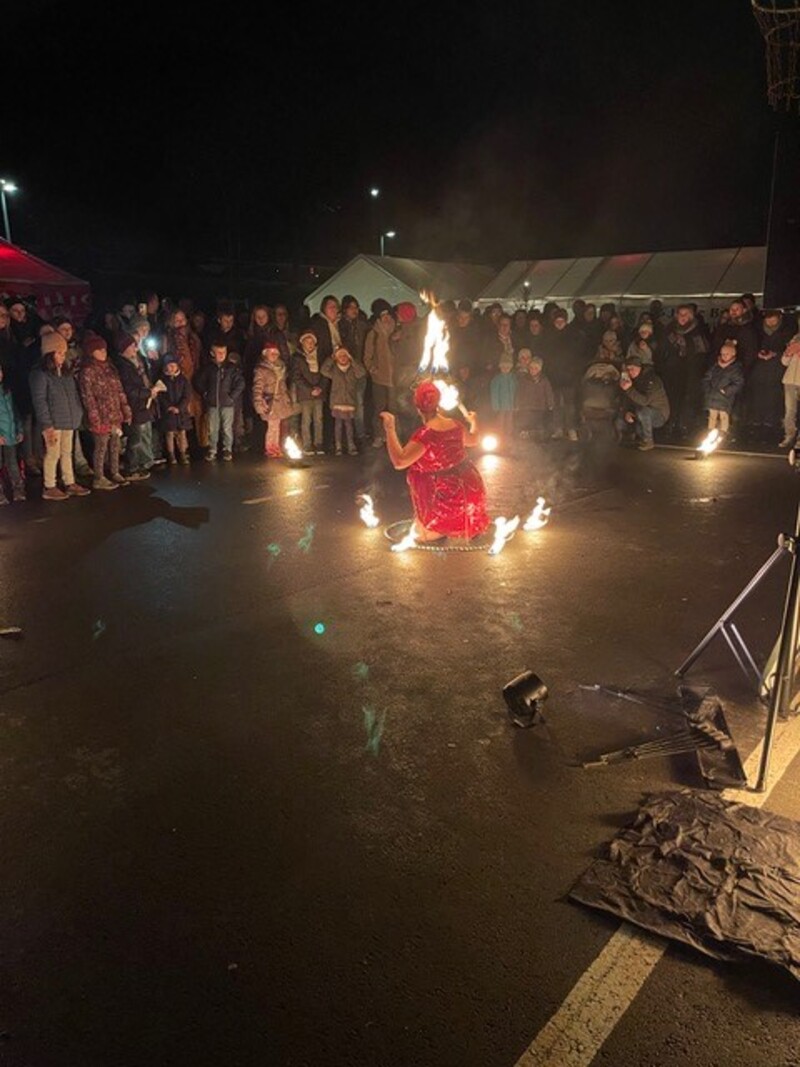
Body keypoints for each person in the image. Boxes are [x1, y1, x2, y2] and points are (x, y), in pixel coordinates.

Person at [380, 379, 490, 542]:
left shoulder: (426, 435)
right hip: (471, 492)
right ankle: (463, 526)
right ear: (438, 404)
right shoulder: (456, 425)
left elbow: (400, 461)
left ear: (418, 408)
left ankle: (440, 529)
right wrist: (474, 422)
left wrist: (390, 429)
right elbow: (473, 440)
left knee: (419, 534)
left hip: (445, 498)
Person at [29, 332, 91, 500]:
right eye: (59, 353)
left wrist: (77, 414)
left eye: (64, 353)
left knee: (67, 452)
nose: (63, 357)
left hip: (68, 421)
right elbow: (39, 401)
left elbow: (74, 395)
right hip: (53, 423)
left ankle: (69, 482)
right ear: (49, 353)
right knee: (52, 454)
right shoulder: (40, 374)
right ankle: (49, 485)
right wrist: (47, 424)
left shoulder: (65, 373)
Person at [78, 333, 132, 490]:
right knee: (101, 447)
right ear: (91, 352)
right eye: (99, 349)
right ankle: (99, 476)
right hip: (100, 416)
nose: (103, 352)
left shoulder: (110, 368)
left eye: (104, 349)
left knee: (115, 445)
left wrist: (126, 410)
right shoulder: (87, 371)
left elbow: (120, 391)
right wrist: (94, 417)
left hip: (114, 414)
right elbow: (88, 396)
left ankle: (114, 471)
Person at [116, 333, 157, 480]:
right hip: (134, 406)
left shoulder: (135, 362)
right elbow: (129, 389)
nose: (136, 348)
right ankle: (131, 469)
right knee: (135, 439)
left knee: (140, 436)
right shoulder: (124, 366)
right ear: (125, 348)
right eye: (132, 345)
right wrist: (147, 392)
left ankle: (140, 463)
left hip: (141, 404)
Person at [194, 342, 244, 462]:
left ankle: (227, 449)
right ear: (212, 353)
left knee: (227, 428)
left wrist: (232, 397)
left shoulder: (231, 368)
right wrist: (205, 393)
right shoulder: (208, 368)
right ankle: (212, 449)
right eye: (219, 352)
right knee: (213, 428)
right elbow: (198, 381)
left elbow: (240, 383)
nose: (222, 355)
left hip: (227, 404)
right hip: (212, 404)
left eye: (224, 352)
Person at [617, 355, 670, 451]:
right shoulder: (630, 380)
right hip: (640, 412)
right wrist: (627, 411)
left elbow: (645, 401)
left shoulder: (652, 380)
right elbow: (627, 400)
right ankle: (630, 436)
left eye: (633, 369)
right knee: (622, 419)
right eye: (628, 369)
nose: (630, 372)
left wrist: (629, 389)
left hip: (659, 414)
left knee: (643, 412)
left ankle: (649, 441)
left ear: (639, 368)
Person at [364, 299, 397, 447]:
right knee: (379, 408)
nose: (386, 317)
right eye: (382, 314)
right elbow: (367, 355)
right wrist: (372, 369)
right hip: (379, 378)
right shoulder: (374, 333)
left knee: (394, 408)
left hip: (395, 377)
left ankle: (394, 437)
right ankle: (378, 435)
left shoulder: (397, 330)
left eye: (387, 314)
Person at [321, 346, 365, 455]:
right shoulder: (334, 370)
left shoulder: (353, 370)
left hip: (349, 401)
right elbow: (323, 370)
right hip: (337, 401)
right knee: (338, 424)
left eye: (345, 355)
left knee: (349, 424)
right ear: (336, 358)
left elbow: (361, 373)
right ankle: (338, 446)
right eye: (340, 356)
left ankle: (351, 445)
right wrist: (331, 358)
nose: (343, 358)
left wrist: (353, 361)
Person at [252, 341, 293, 458]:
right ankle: (270, 447)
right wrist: (258, 402)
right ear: (265, 354)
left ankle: (276, 447)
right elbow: (257, 387)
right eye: (271, 352)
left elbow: (283, 386)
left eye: (276, 352)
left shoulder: (281, 367)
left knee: (278, 425)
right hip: (270, 402)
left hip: (281, 401)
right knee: (272, 426)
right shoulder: (261, 369)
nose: (274, 355)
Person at [292, 330, 326, 455]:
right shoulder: (298, 358)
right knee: (306, 420)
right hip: (305, 394)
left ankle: (318, 443)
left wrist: (320, 388)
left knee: (319, 419)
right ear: (302, 343)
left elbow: (324, 374)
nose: (310, 344)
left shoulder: (320, 357)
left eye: (312, 342)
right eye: (307, 342)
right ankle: (307, 444)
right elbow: (296, 376)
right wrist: (309, 389)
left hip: (319, 393)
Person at [703, 341, 745, 438]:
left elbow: (738, 383)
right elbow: (707, 377)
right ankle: (710, 433)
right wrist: (708, 388)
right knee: (712, 416)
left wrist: (726, 390)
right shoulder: (715, 366)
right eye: (722, 354)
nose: (724, 356)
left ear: (733, 354)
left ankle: (723, 434)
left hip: (725, 398)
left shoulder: (735, 369)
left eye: (727, 354)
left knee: (724, 416)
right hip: (713, 396)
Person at [158, 356, 192, 465]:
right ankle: (171, 455)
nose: (172, 368)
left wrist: (179, 407)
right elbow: (160, 396)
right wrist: (168, 407)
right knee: (169, 433)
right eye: (169, 365)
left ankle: (182, 453)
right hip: (168, 413)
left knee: (182, 433)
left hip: (181, 412)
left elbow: (187, 396)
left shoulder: (183, 380)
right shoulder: (162, 380)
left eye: (174, 365)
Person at [0, 364, 26, 503]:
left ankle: (18, 488)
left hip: (10, 433)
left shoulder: (6, 390)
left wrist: (19, 429)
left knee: (12, 462)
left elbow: (14, 412)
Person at [515, 351, 555, 441]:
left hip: (539, 406)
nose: (533, 370)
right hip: (527, 406)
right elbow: (519, 392)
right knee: (527, 421)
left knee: (538, 422)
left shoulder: (544, 380)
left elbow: (548, 392)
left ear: (539, 369)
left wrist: (550, 403)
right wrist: (518, 403)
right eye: (531, 368)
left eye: (535, 368)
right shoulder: (525, 380)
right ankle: (524, 434)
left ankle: (537, 436)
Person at [780, 332, 800, 447]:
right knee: (789, 410)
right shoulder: (796, 338)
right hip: (790, 380)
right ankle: (789, 434)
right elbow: (784, 362)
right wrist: (788, 353)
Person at [490, 355, 517, 439]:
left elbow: (516, 391)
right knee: (500, 421)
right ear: (500, 367)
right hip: (501, 405)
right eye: (503, 367)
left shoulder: (513, 378)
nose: (505, 369)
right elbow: (494, 393)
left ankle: (508, 434)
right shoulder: (497, 379)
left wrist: (516, 403)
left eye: (508, 367)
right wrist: (496, 405)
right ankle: (499, 434)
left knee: (510, 420)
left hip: (511, 405)